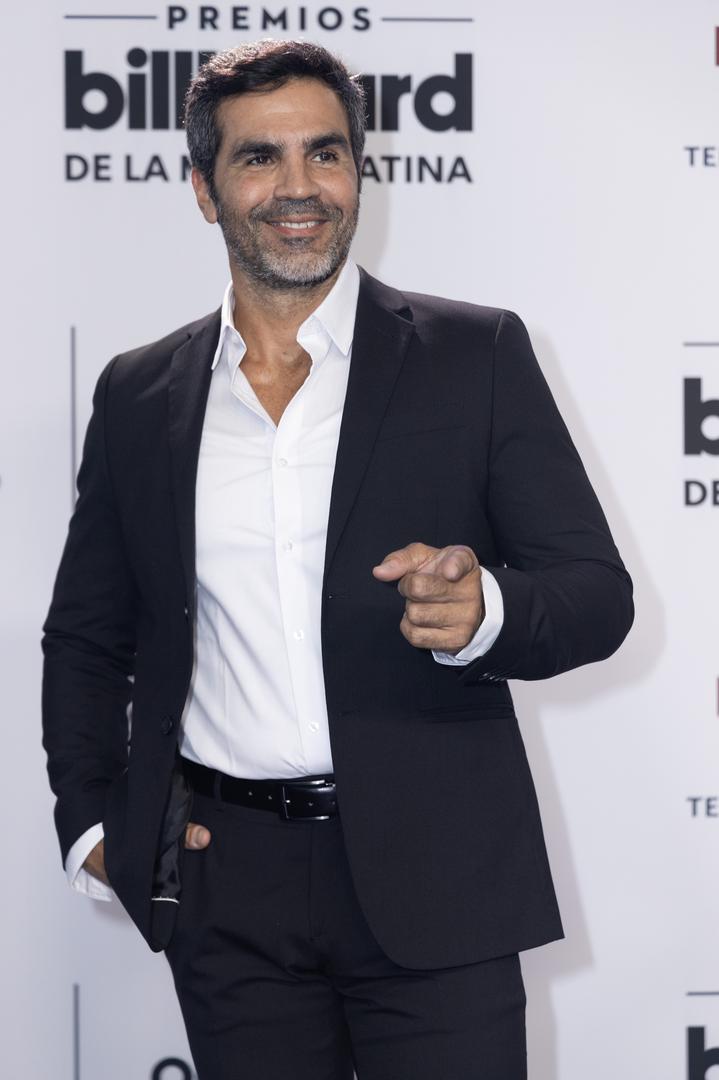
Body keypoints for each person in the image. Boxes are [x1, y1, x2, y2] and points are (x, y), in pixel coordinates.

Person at [42, 39, 633, 1080]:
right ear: (203, 189)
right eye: (258, 158)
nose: (299, 187)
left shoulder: (475, 355)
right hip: (226, 890)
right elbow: (89, 637)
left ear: (358, 171)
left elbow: (595, 596)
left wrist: (486, 612)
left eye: (324, 153)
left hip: (439, 868)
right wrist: (93, 822)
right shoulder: (138, 393)